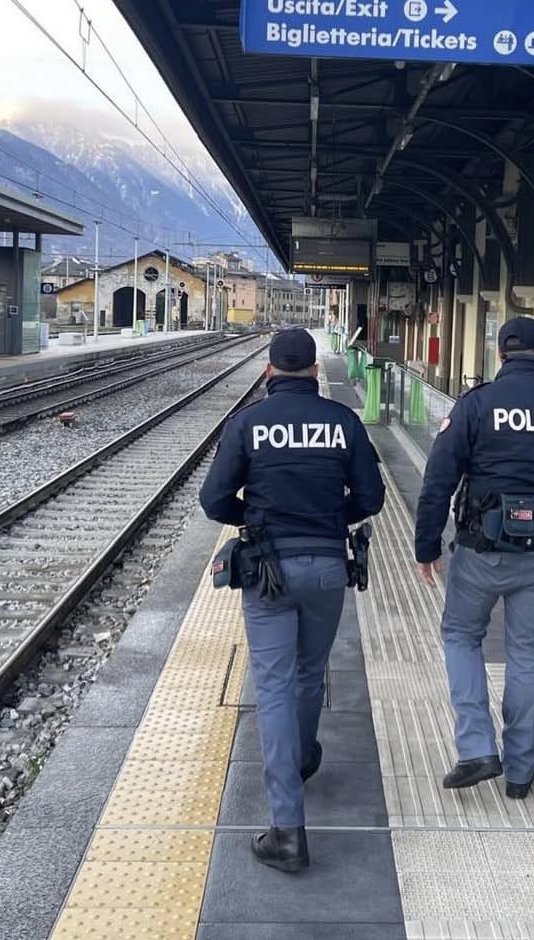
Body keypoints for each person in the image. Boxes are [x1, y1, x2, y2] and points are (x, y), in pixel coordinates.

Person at [199, 327, 385, 873]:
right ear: (315, 372)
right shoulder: (343, 423)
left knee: (274, 685)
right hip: (328, 565)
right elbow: (370, 498)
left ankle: (287, 829)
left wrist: (257, 520)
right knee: (310, 673)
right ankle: (301, 757)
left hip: (269, 571)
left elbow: (214, 500)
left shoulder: (248, 423)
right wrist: (327, 520)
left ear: (269, 370)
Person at [413, 315, 534, 799]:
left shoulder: (476, 405)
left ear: (499, 355)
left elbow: (438, 481)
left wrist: (426, 547)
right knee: (526, 654)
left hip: (481, 550)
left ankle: (476, 748)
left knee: (460, 636)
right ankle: (520, 771)